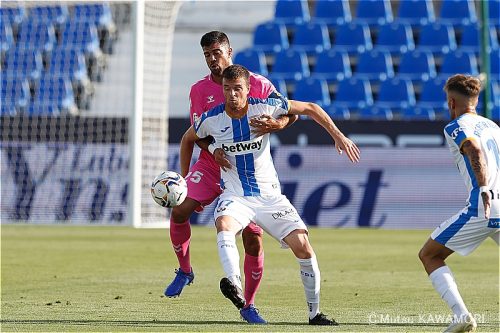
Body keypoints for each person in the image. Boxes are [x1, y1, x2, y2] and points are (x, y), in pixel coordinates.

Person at [180, 64, 360, 325]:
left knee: (304, 249)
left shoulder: (264, 106)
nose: (232, 95)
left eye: (237, 89)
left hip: (270, 197)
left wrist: (338, 136)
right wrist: (187, 178)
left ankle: (315, 314)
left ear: (248, 89)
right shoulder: (211, 119)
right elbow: (188, 139)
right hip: (236, 196)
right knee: (224, 225)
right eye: (227, 89)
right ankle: (235, 285)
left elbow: (310, 108)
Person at [165, 31, 297, 324]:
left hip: (245, 172)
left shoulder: (258, 83)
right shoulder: (199, 91)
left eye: (217, 53)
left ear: (229, 51)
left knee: (253, 241)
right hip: (213, 165)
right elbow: (196, 134)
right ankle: (185, 270)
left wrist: (278, 124)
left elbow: (290, 112)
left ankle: (248, 305)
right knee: (180, 209)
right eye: (207, 55)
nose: (213, 59)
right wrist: (204, 157)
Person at [418, 74, 500, 333]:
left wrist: (484, 188)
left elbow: (474, 150)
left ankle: (461, 315)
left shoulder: (456, 126)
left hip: (484, 205)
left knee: (429, 255)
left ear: (451, 102)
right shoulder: (493, 126)